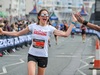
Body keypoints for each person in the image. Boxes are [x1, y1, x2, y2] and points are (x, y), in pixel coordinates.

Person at [0, 9, 77, 75]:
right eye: (43, 15)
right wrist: (3, 32)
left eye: (46, 15)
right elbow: (17, 33)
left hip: (43, 56)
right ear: (39, 17)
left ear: (48, 18)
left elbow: (66, 34)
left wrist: (73, 23)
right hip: (32, 55)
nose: (45, 16)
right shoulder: (32, 26)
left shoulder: (50, 28)